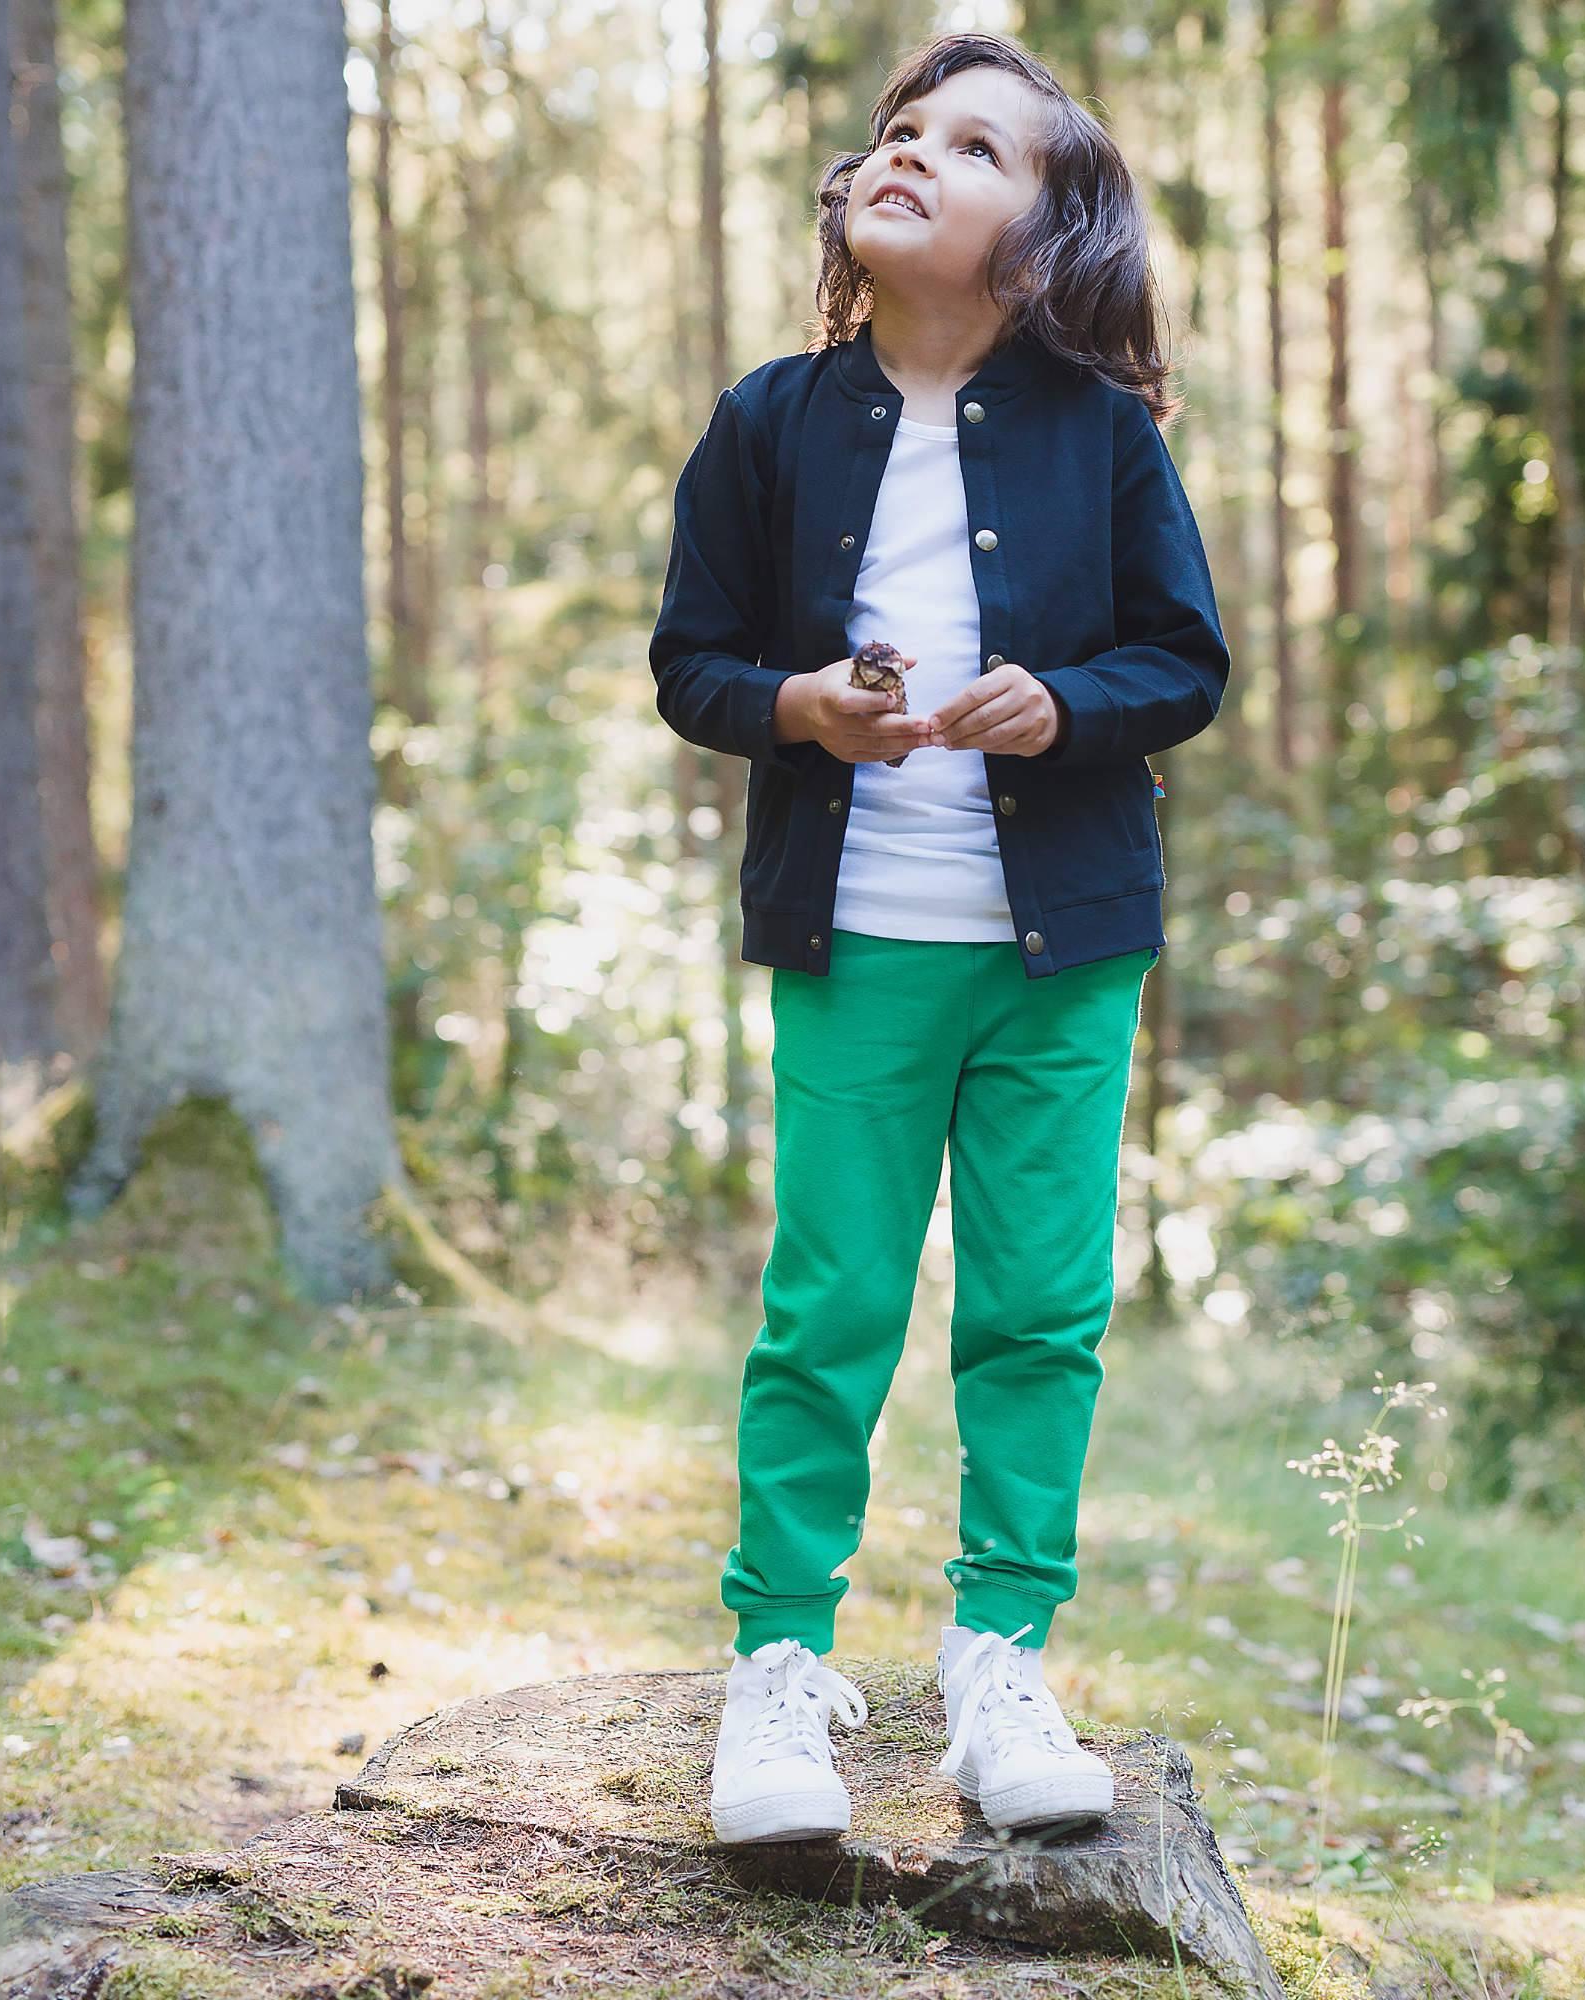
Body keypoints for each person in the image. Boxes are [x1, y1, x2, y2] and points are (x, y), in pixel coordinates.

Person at [648, 29, 1229, 1846]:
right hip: (856, 942)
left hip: (1065, 950)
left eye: (975, 145)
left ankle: (1001, 1666)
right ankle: (776, 1679)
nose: (915, 152)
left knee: (1040, 1309)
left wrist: (1064, 705)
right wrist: (800, 707)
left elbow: (1183, 661)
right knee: (826, 1307)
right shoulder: (769, 420)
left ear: (1046, 234)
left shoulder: (1106, 434)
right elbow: (694, 666)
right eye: (903, 129)